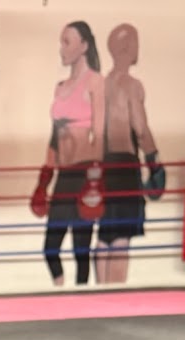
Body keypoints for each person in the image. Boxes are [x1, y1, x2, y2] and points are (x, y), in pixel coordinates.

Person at [30, 21, 105, 287]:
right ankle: (60, 292)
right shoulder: (60, 87)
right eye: (61, 42)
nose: (61, 48)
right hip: (63, 175)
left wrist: (95, 180)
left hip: (85, 173)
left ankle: (80, 299)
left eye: (67, 42)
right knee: (50, 248)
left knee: (80, 250)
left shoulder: (95, 82)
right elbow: (54, 137)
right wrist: (43, 181)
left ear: (84, 46)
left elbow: (99, 134)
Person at [95, 23, 164, 285]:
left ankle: (100, 292)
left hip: (104, 164)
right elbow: (140, 127)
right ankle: (116, 296)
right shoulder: (131, 85)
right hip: (125, 165)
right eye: (135, 42)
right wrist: (153, 160)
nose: (138, 48)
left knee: (105, 235)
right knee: (121, 237)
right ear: (126, 47)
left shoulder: (101, 85)